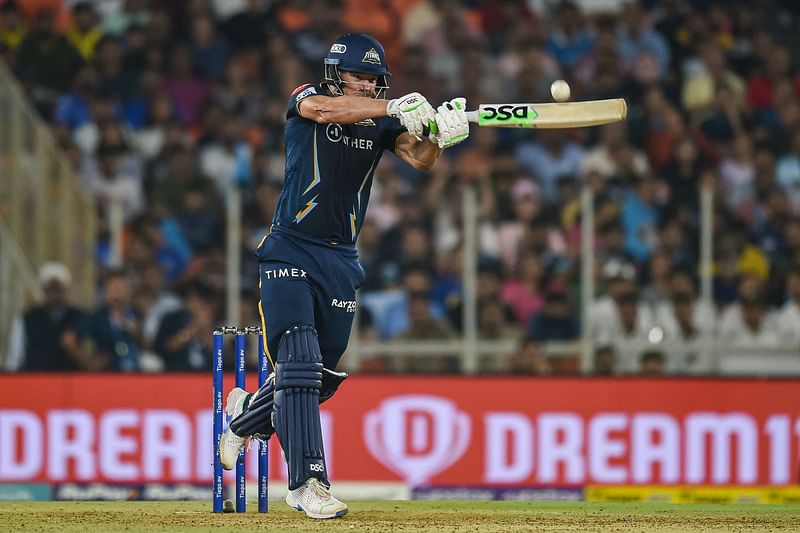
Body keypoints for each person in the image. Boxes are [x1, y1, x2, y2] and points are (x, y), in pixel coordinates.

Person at [216, 32, 469, 519]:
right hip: (289, 246)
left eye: (375, 80)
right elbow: (327, 113)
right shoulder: (307, 99)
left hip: (340, 260)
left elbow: (419, 159)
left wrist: (440, 135)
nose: (367, 85)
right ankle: (308, 483)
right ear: (335, 74)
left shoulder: (379, 121)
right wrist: (395, 106)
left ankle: (244, 418)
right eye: (359, 75)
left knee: (319, 375)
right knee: (302, 362)